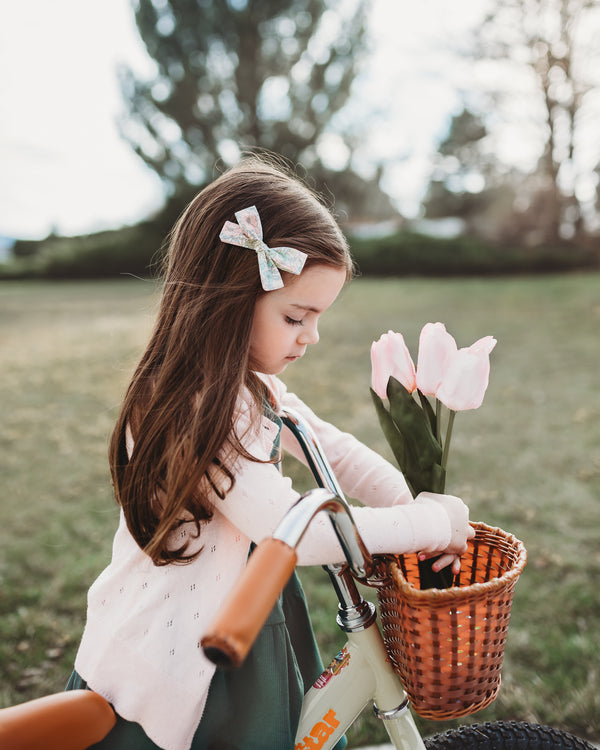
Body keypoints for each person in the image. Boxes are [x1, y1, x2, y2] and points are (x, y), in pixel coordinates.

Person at [67, 157, 474, 750]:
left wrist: (411, 505)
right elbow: (296, 533)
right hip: (182, 649)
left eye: (316, 318)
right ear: (230, 299)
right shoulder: (198, 410)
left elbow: (336, 449)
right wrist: (429, 521)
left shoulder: (251, 389)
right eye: (295, 316)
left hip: (242, 619)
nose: (310, 336)